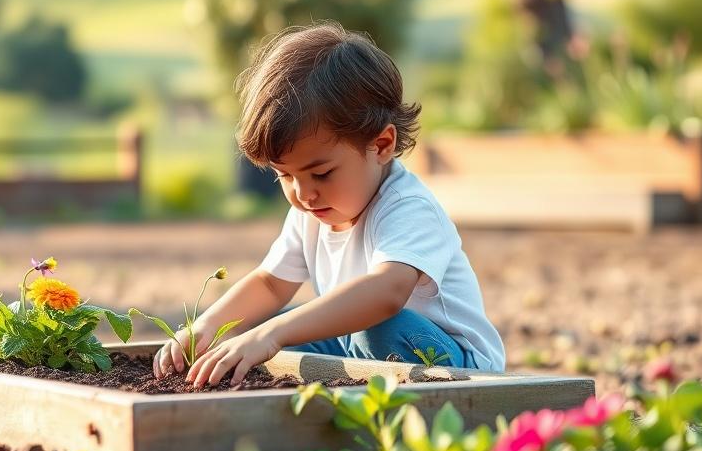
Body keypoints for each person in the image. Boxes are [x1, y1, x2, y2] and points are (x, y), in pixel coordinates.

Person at [153, 21, 505, 388]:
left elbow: (387, 293)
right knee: (256, 330)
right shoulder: (310, 213)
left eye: (321, 174)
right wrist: (205, 327)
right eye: (285, 176)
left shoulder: (408, 207)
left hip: (458, 368)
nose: (304, 194)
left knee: (364, 329)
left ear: (381, 145)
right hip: (360, 343)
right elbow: (271, 285)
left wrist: (273, 335)